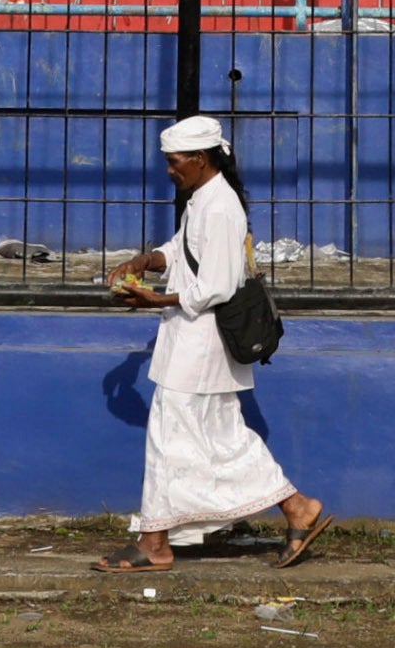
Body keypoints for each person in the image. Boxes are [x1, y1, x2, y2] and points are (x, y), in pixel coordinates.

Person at [100, 115, 328, 573]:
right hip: (190, 342)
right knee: (217, 439)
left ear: (200, 159)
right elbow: (183, 248)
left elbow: (218, 285)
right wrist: (146, 259)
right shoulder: (203, 198)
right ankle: (293, 507)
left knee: (177, 439)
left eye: (174, 162)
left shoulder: (220, 206)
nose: (169, 170)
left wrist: (156, 298)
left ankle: (156, 543)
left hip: (201, 346)